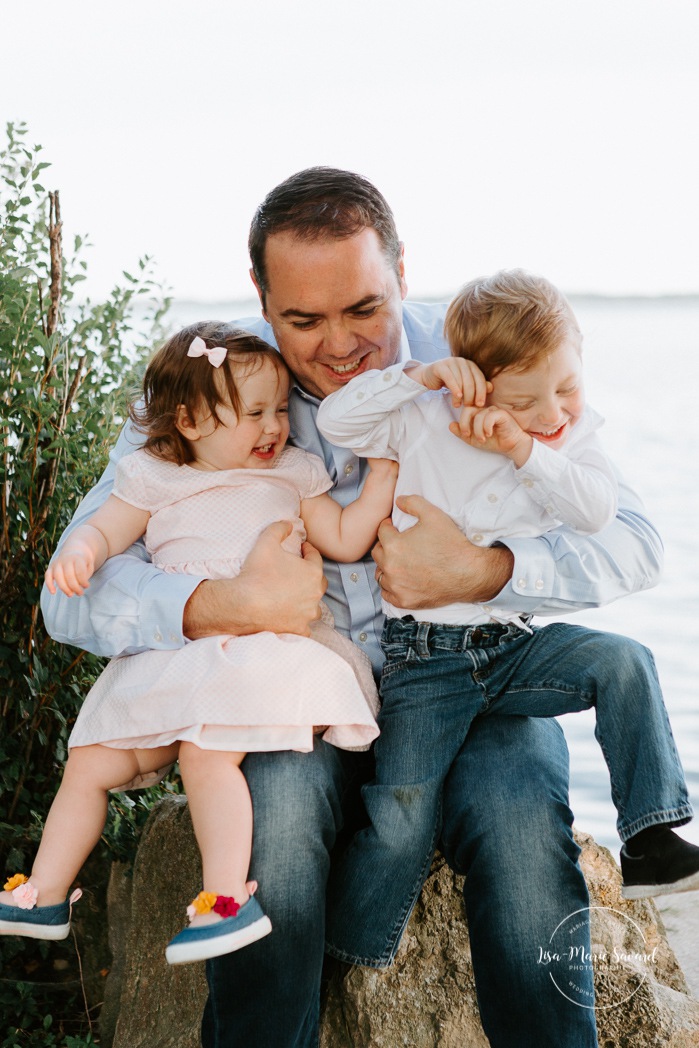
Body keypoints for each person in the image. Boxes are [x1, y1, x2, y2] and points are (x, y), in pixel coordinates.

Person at [40, 167, 666, 1048]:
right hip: (294, 701)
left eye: (363, 310)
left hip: (476, 677)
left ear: (402, 271)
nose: (339, 346)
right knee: (280, 843)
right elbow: (70, 596)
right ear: (260, 293)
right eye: (302, 320)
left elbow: (634, 540)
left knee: (522, 832)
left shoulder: (478, 353)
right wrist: (220, 602)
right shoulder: (212, 383)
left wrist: (483, 570)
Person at [316, 268, 699, 963]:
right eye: (525, 400)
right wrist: (421, 376)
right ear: (478, 385)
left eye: (567, 386)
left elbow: (594, 512)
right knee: (401, 813)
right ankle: (348, 951)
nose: (554, 410)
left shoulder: (564, 438)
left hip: (513, 646)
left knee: (624, 661)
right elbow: (334, 419)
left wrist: (526, 449)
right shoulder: (423, 417)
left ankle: (650, 840)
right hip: (425, 658)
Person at [2, 325, 394, 966]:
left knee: (206, 754)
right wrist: (79, 550)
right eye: (254, 413)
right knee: (91, 760)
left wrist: (383, 476)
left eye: (278, 410)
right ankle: (43, 893)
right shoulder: (154, 476)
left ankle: (224, 902)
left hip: (260, 654)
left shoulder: (295, 471)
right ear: (188, 420)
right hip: (180, 652)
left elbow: (347, 537)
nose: (274, 427)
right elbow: (103, 531)